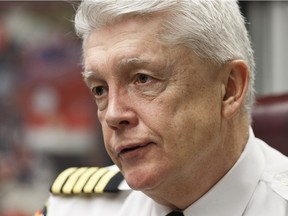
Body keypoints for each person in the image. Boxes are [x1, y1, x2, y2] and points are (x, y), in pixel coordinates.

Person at [36, 0, 288, 215]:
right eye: (100, 89)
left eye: (143, 79)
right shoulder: (74, 209)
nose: (113, 114)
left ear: (229, 89)